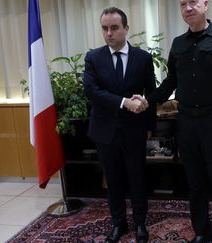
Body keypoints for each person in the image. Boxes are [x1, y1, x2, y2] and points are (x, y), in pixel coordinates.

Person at [135, 0, 212, 242]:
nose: (188, 8)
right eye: (183, 4)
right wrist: (148, 100)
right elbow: (170, 83)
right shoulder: (178, 44)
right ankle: (202, 232)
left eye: (193, 2)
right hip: (186, 121)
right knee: (195, 183)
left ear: (205, 4)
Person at [83, 7, 155, 243]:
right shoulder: (93, 57)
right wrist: (124, 102)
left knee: (137, 179)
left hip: (135, 130)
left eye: (114, 28)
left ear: (126, 28)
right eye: (105, 28)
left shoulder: (143, 58)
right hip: (105, 131)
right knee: (113, 181)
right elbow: (92, 92)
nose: (109, 33)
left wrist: (150, 126)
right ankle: (118, 224)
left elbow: (150, 94)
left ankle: (140, 223)